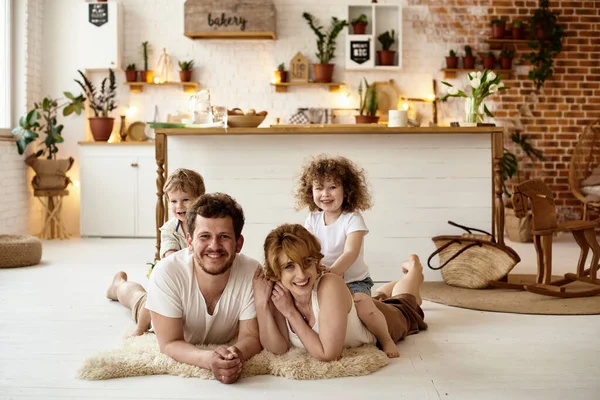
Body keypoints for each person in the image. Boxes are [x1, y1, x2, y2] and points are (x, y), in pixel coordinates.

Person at [253, 223, 426, 361]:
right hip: (361, 305)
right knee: (372, 300)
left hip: (387, 320)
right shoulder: (280, 294)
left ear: (315, 261)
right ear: (277, 272)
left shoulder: (329, 285)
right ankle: (390, 288)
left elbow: (328, 354)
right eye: (289, 266)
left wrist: (291, 313)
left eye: (307, 262)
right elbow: (278, 348)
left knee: (406, 301)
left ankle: (414, 270)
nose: (302, 274)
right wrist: (262, 305)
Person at [294, 155, 400, 357]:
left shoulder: (352, 219)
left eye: (332, 187)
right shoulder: (313, 219)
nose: (325, 194)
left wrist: (333, 272)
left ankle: (385, 339)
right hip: (322, 279)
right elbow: (306, 250)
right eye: (319, 188)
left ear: (347, 190)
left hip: (353, 281)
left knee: (364, 306)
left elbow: (350, 252)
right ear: (310, 191)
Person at [150, 192, 261, 384]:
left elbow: (251, 336)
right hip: (159, 304)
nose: (214, 246)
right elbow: (169, 342)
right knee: (137, 303)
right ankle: (120, 287)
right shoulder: (167, 272)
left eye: (224, 236)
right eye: (205, 236)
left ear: (239, 244)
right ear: (190, 242)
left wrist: (236, 354)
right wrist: (209, 359)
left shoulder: (253, 272)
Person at [106, 168, 206, 336]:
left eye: (186, 199)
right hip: (171, 286)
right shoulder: (169, 230)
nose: (179, 206)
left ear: (200, 199)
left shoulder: (207, 225)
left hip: (194, 291)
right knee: (140, 298)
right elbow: (171, 258)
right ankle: (118, 286)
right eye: (173, 201)